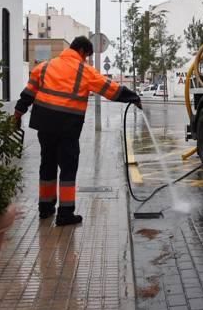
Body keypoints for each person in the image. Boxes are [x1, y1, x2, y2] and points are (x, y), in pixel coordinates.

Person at [14, 36, 142, 226]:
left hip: (45, 124)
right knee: (68, 168)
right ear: (82, 51)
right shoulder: (85, 71)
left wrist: (17, 116)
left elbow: (28, 94)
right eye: (87, 56)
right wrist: (132, 97)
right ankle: (65, 214)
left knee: (47, 164)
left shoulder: (45, 67)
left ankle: (45, 208)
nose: (87, 60)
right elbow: (110, 89)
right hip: (67, 126)